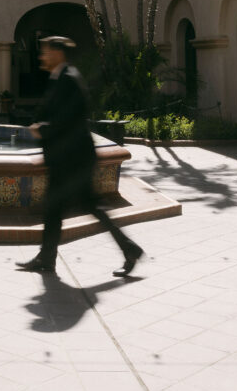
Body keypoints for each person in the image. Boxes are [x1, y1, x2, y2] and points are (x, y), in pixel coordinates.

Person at [16, 36, 144, 277]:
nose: (41, 56)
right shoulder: (58, 78)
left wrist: (42, 129)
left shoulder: (69, 79)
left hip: (75, 160)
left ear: (57, 53)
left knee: (84, 206)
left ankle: (129, 249)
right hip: (66, 158)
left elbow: (69, 119)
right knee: (57, 208)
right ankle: (47, 257)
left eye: (45, 52)